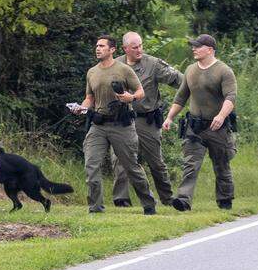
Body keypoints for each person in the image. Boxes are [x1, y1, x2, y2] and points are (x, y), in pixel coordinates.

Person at [71, 35, 157, 214]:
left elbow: (141, 92)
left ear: (112, 50)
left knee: (131, 167)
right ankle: (95, 208)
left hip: (122, 126)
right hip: (98, 125)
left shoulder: (124, 70)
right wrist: (81, 108)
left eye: (102, 46)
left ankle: (149, 203)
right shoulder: (92, 72)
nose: (98, 49)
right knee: (91, 165)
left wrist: (130, 97)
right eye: (96, 46)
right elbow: (89, 98)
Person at [162, 34, 237, 211]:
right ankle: (183, 200)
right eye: (193, 46)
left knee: (221, 165)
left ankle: (225, 200)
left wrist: (221, 116)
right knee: (190, 164)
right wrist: (169, 117)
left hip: (218, 127)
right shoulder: (190, 70)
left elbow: (231, 97)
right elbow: (181, 97)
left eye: (198, 46)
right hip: (195, 127)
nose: (194, 49)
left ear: (210, 49)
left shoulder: (224, 71)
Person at [109, 31, 182, 207]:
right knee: (120, 159)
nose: (139, 49)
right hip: (122, 120)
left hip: (146, 119)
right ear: (125, 48)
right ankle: (121, 199)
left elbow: (180, 81)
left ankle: (167, 198)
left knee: (156, 162)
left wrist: (197, 88)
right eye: (134, 47)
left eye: (141, 45)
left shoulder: (153, 64)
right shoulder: (114, 65)